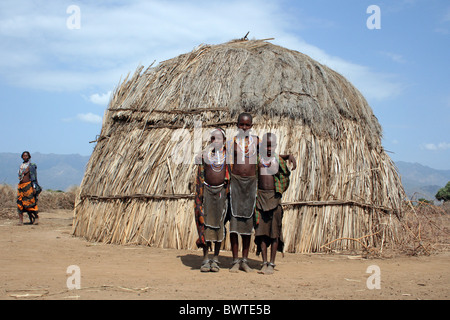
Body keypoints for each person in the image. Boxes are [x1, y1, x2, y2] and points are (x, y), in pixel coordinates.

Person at [227, 113, 295, 273]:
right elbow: (225, 161)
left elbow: (269, 154)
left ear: (251, 126)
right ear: (237, 125)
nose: (244, 127)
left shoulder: (256, 142)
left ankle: (245, 260)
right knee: (234, 224)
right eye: (241, 124)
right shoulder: (232, 143)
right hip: (236, 185)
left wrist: (287, 156)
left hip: (251, 187)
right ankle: (235, 260)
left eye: (247, 125)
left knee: (248, 224)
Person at [254, 133, 292, 275]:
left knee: (274, 233)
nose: (269, 148)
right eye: (266, 145)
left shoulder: (278, 161)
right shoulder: (259, 159)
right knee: (262, 233)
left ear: (276, 146)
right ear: (262, 146)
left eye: (272, 145)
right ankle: (264, 262)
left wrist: (288, 157)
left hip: (274, 199)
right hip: (260, 199)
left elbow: (285, 176)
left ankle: (272, 262)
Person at [194, 128, 229, 272]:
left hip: (222, 192)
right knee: (206, 225)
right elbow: (200, 173)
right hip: (206, 192)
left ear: (224, 141)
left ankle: (216, 258)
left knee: (219, 225)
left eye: (219, 138)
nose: (216, 141)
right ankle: (205, 258)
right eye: (213, 139)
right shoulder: (205, 156)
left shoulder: (229, 157)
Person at [17, 151, 41, 225]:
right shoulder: (21, 166)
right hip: (21, 187)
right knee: (20, 203)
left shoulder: (31, 166)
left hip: (28, 186)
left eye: (26, 156)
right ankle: (21, 221)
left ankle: (36, 217)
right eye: (24, 156)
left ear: (29, 157)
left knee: (30, 203)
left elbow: (33, 177)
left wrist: (34, 187)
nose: (25, 157)